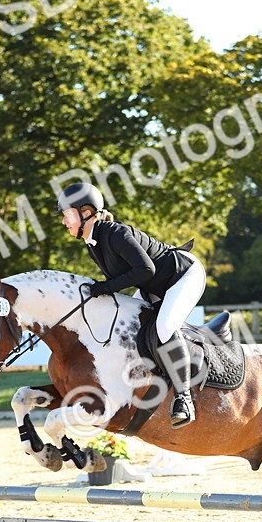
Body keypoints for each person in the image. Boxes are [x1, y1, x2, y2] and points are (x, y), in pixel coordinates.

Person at [57, 182, 205, 428]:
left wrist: (102, 288)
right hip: (154, 285)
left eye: (66, 215)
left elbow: (146, 269)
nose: (64, 222)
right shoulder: (93, 242)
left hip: (182, 275)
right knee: (129, 329)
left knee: (164, 328)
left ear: (85, 212)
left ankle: (184, 398)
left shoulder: (115, 233)